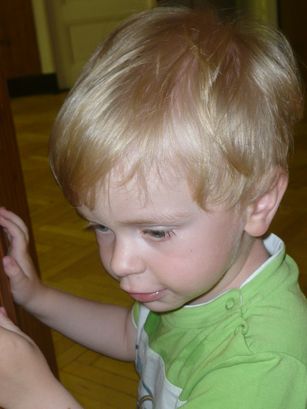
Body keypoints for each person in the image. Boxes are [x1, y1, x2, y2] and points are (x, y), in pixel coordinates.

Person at [0, 5, 306, 409]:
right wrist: (37, 296)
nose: (119, 263)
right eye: (99, 227)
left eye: (156, 231)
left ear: (258, 202)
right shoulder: (191, 280)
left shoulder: (259, 365)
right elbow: (134, 337)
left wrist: (36, 397)